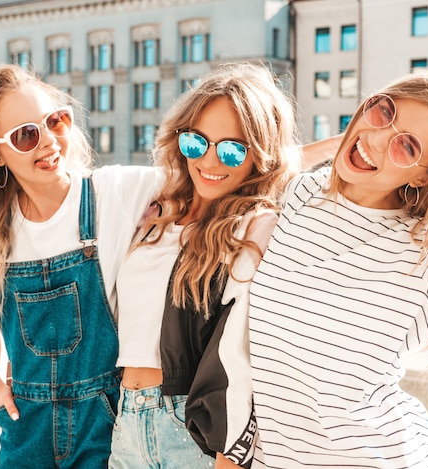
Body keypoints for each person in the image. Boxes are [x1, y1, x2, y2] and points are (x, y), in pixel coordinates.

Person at [248, 69, 428, 468]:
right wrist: (354, 138)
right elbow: (259, 171)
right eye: (383, 111)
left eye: (407, 146)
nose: (379, 140)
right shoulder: (302, 193)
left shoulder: (427, 250)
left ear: (426, 176)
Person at [0, 63, 164, 468]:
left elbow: (218, 174)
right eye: (26, 134)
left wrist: (319, 154)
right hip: (25, 424)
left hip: (105, 424)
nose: (48, 141)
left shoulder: (112, 193)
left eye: (55, 121)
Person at [108, 63, 301, 469]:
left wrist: (228, 456)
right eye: (197, 142)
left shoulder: (256, 227)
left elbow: (245, 352)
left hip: (192, 431)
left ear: (259, 158)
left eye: (232, 149)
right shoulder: (157, 214)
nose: (210, 160)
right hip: (126, 422)